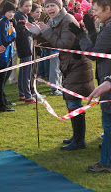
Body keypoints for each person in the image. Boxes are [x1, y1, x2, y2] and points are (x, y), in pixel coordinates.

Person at [27, 0, 94, 150]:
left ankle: (79, 140)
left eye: (52, 6)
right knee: (72, 101)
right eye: (47, 6)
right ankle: (77, 137)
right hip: (69, 65)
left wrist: (46, 31)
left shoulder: (67, 20)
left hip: (77, 65)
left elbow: (64, 45)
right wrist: (37, 33)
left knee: (73, 102)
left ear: (60, 6)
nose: (49, 9)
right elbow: (52, 42)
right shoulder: (54, 20)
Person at [68, 0, 111, 172]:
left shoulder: (109, 28)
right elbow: (101, 47)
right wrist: (92, 31)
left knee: (108, 123)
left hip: (108, 81)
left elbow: (94, 53)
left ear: (108, 9)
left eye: (97, 10)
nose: (94, 13)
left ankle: (106, 162)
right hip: (106, 78)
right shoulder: (107, 26)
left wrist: (81, 36)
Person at [15, 0, 37, 104]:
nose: (29, 8)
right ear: (20, 6)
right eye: (26, 6)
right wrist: (33, 29)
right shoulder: (20, 16)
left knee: (23, 72)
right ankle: (28, 96)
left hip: (25, 47)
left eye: (30, 6)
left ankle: (22, 94)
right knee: (26, 73)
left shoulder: (23, 15)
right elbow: (22, 33)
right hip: (25, 47)